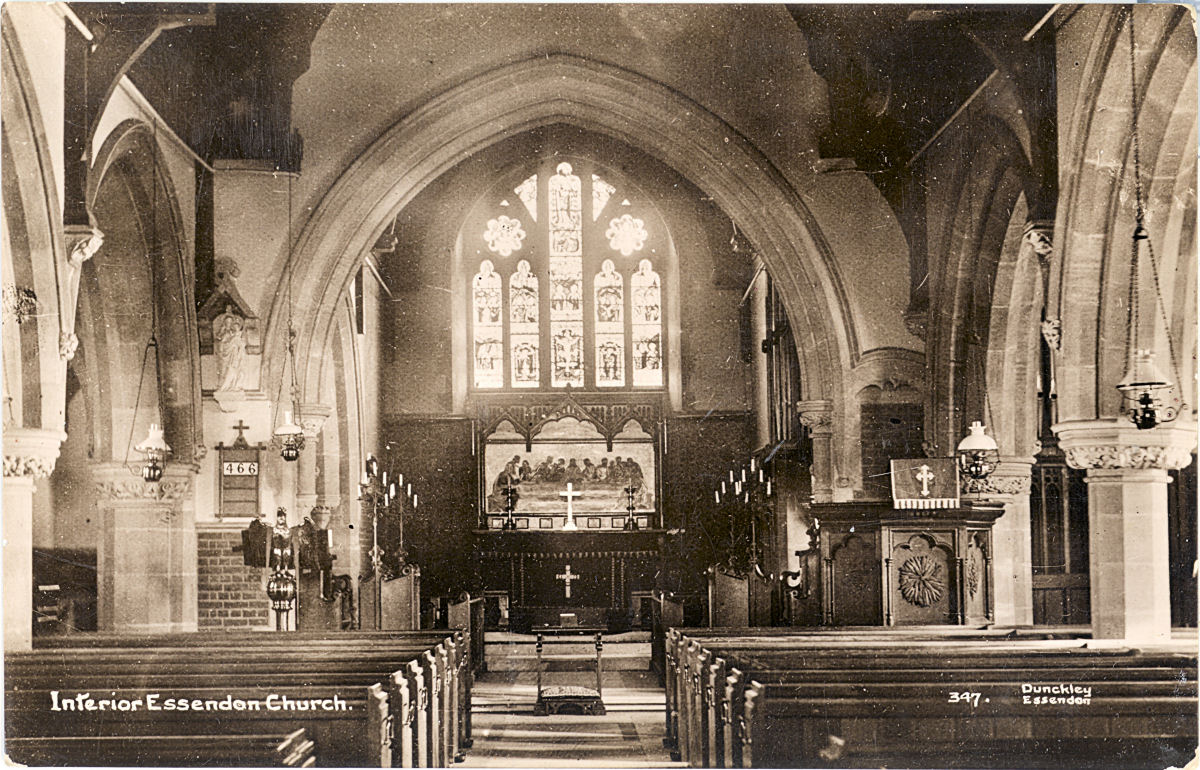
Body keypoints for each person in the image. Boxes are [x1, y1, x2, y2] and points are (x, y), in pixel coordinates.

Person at [214, 305, 247, 391]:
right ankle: (223, 386)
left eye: (230, 323)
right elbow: (219, 339)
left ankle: (231, 385)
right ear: (224, 323)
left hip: (233, 356)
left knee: (232, 369)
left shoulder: (234, 334)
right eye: (227, 322)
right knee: (223, 369)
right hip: (224, 354)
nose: (229, 324)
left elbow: (239, 344)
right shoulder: (223, 332)